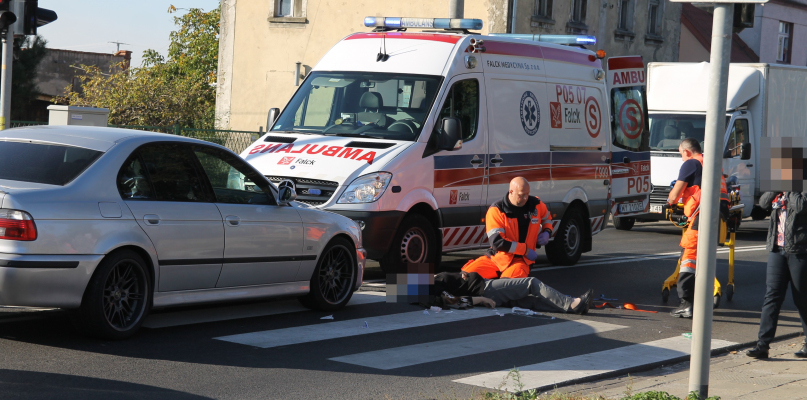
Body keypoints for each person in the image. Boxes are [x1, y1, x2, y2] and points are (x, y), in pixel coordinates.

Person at [666, 138, 729, 318]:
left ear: (686, 152)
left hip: (702, 216)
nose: (681, 159)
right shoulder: (712, 164)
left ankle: (686, 304)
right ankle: (696, 302)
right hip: (718, 216)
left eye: (681, 155)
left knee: (689, 258)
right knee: (700, 260)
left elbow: (676, 192)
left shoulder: (691, 163)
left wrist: (670, 201)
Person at [746, 192, 807, 359]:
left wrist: (791, 187)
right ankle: (762, 345)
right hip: (777, 249)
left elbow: (802, 207)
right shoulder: (779, 185)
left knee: (801, 297)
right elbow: (764, 203)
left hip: (800, 250)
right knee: (772, 296)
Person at [461, 177, 553, 279]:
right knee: (466, 276)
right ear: (511, 192)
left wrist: (547, 231)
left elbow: (547, 218)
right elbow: (497, 242)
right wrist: (525, 250)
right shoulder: (497, 210)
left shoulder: (536, 204)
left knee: (507, 284)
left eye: (527, 194)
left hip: (522, 260)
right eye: (521, 195)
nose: (526, 198)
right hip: (499, 258)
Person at [432, 270, 593, 314]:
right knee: (531, 283)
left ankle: (574, 307)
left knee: (531, 302)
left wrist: (460, 275)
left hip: (486, 288)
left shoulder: (431, 280)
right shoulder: (430, 286)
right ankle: (571, 304)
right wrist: (481, 299)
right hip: (487, 289)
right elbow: (453, 301)